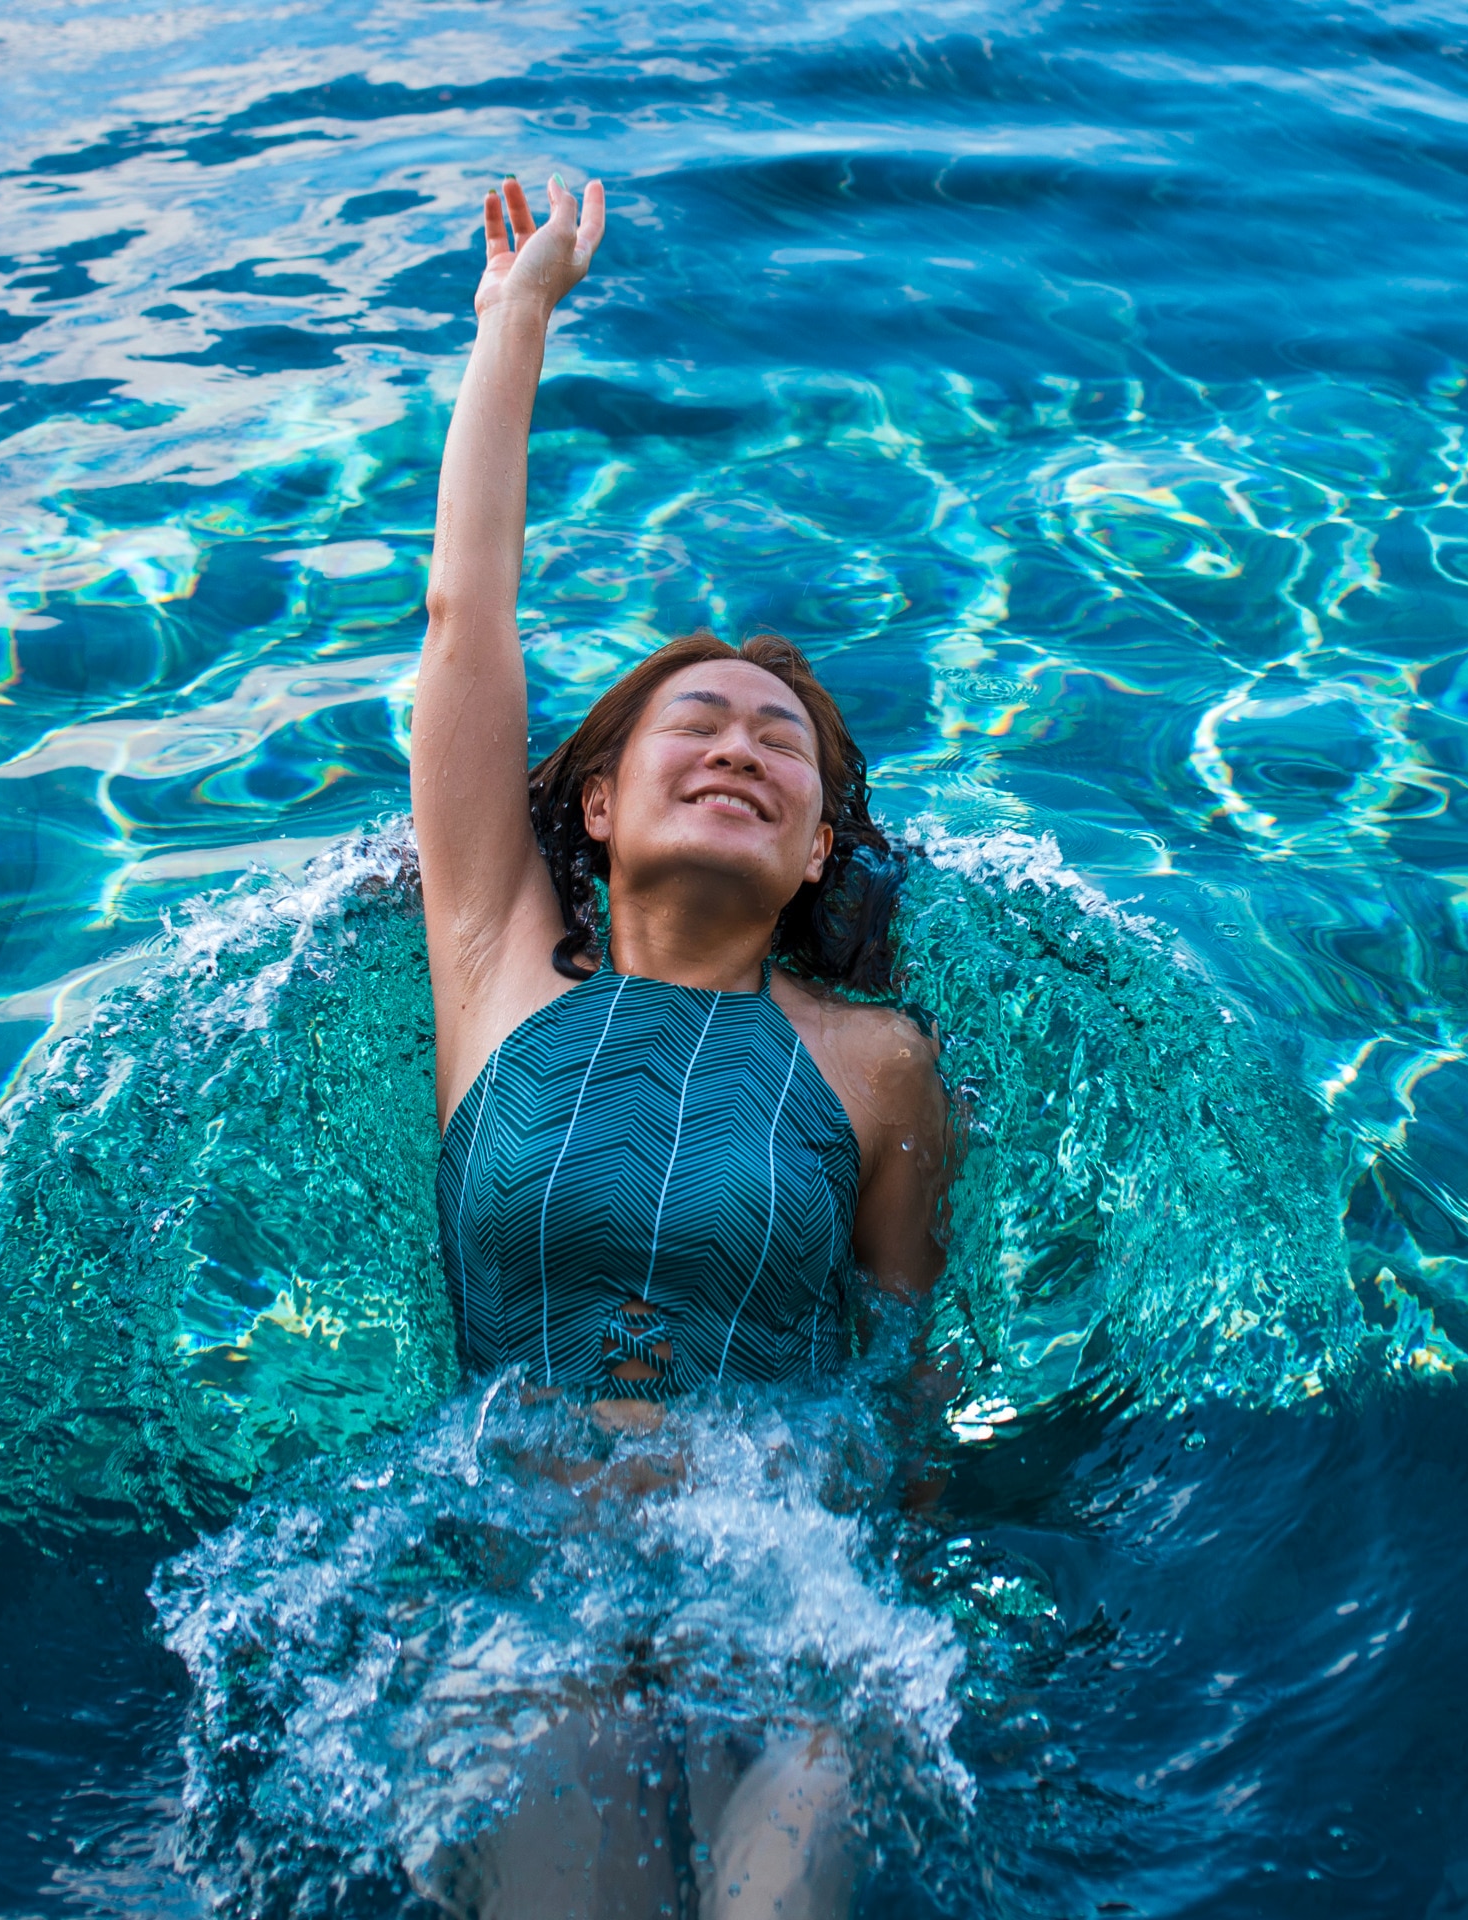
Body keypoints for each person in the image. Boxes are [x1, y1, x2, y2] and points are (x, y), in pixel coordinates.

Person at [408, 173, 952, 1919]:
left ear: (812, 852)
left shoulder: (880, 1065)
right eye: (693, 722)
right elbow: (462, 626)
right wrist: (517, 326)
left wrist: (896, 1568)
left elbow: (896, 1363)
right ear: (591, 796)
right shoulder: (496, 967)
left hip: (782, 1592)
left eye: (783, 747)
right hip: (531, 1586)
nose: (740, 746)